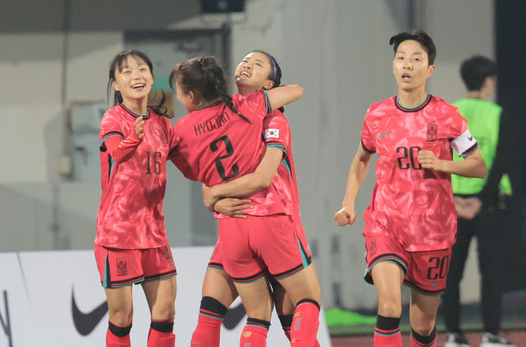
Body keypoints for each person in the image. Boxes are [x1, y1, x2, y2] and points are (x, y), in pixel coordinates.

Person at [333, 30, 487, 347]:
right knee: (389, 307)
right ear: (393, 66)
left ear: (429, 69)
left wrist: (444, 164)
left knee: (423, 324)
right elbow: (361, 160)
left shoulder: (447, 116)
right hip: (386, 223)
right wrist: (348, 202)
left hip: (433, 232)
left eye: (416, 59)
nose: (407, 64)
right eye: (401, 57)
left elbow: (478, 165)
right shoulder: (376, 114)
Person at [170, 55, 321, 346]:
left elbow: (203, 175)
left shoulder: (186, 128)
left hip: (232, 224)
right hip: (269, 219)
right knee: (305, 301)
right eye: (244, 60)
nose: (246, 65)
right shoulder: (248, 108)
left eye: (258, 63)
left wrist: (215, 196)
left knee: (256, 315)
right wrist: (213, 197)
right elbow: (260, 179)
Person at [94, 50, 191, 347]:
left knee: (166, 312)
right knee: (122, 318)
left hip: (155, 235)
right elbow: (117, 153)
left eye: (142, 70)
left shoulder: (162, 123)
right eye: (126, 72)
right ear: (116, 85)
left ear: (151, 77)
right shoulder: (112, 118)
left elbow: (191, 168)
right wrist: (134, 138)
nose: (136, 76)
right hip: (118, 234)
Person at [442, 56, 514, 347]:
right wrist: (482, 200)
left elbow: (440, 159)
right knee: (490, 273)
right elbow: (502, 160)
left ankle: (454, 336)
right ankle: (491, 336)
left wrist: (453, 198)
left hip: (453, 205)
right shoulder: (498, 114)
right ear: (488, 82)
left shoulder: (450, 113)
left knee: (450, 274)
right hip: (488, 206)